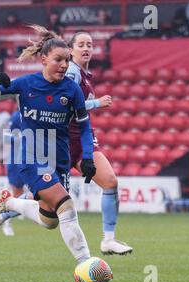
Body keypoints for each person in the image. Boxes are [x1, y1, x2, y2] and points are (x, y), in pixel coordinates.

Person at [0, 25, 97, 272]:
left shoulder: (72, 90)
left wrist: (87, 158)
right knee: (66, 206)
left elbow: (85, 127)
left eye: (66, 60)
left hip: (59, 159)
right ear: (44, 59)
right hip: (31, 158)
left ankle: (8, 204)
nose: (64, 65)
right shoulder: (25, 84)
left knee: (49, 220)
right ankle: (87, 265)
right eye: (58, 60)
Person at [67, 32, 132, 255]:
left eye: (90, 45)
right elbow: (66, 105)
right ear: (70, 50)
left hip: (82, 139)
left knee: (110, 182)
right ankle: (7, 207)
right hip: (63, 141)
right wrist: (97, 102)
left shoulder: (85, 74)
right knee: (45, 204)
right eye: (81, 44)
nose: (86, 48)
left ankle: (108, 241)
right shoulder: (71, 72)